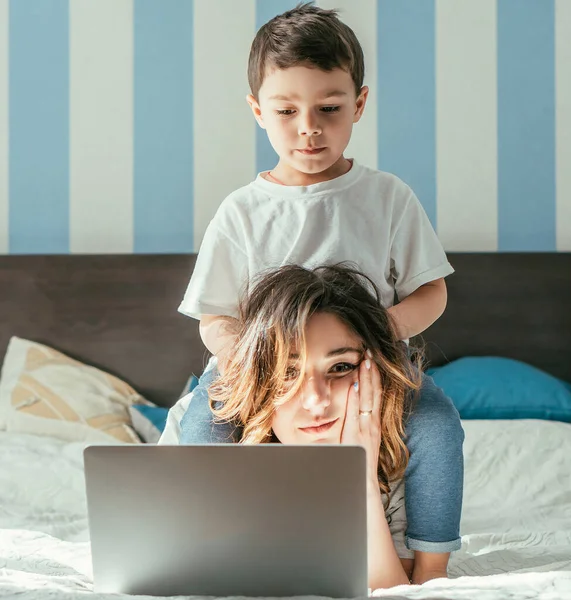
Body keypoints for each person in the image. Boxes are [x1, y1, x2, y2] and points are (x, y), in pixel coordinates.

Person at [174, 2, 464, 583]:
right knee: (203, 431)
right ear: (258, 111)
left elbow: (432, 293)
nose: (309, 127)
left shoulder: (387, 198)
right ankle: (199, 556)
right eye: (287, 110)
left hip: (367, 362)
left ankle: (430, 567)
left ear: (359, 104)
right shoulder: (242, 212)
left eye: (329, 109)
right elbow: (214, 319)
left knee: (437, 425)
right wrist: (256, 362)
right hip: (264, 369)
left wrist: (383, 335)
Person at [162, 264, 463, 588]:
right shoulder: (197, 430)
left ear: (374, 372)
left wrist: (359, 474)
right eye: (288, 373)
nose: (316, 401)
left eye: (341, 367)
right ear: (258, 380)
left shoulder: (403, 447)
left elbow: (390, 590)